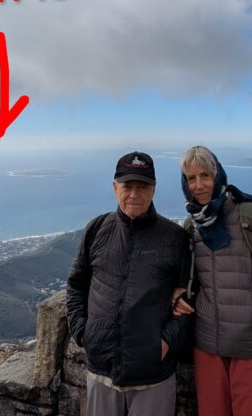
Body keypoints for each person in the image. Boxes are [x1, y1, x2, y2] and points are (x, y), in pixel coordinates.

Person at [66, 151, 192, 416]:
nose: (134, 194)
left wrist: (165, 343)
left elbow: (188, 300)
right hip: (101, 372)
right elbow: (77, 285)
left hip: (153, 376)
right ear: (115, 188)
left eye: (143, 186)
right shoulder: (97, 230)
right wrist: (83, 333)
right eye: (127, 186)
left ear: (154, 190)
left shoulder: (175, 238)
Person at [172, 145, 252, 416]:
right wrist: (178, 295)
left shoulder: (249, 215)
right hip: (208, 348)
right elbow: (190, 278)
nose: (199, 185)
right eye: (191, 179)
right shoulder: (193, 225)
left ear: (218, 176)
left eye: (205, 175)